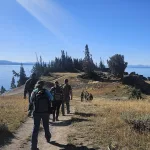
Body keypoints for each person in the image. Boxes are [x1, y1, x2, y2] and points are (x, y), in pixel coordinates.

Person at [29, 80, 53, 150]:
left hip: (36, 112)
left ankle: (33, 147)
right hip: (45, 112)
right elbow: (52, 98)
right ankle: (48, 138)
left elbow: (31, 100)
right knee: (46, 125)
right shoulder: (46, 91)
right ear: (43, 85)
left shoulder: (34, 91)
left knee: (35, 128)